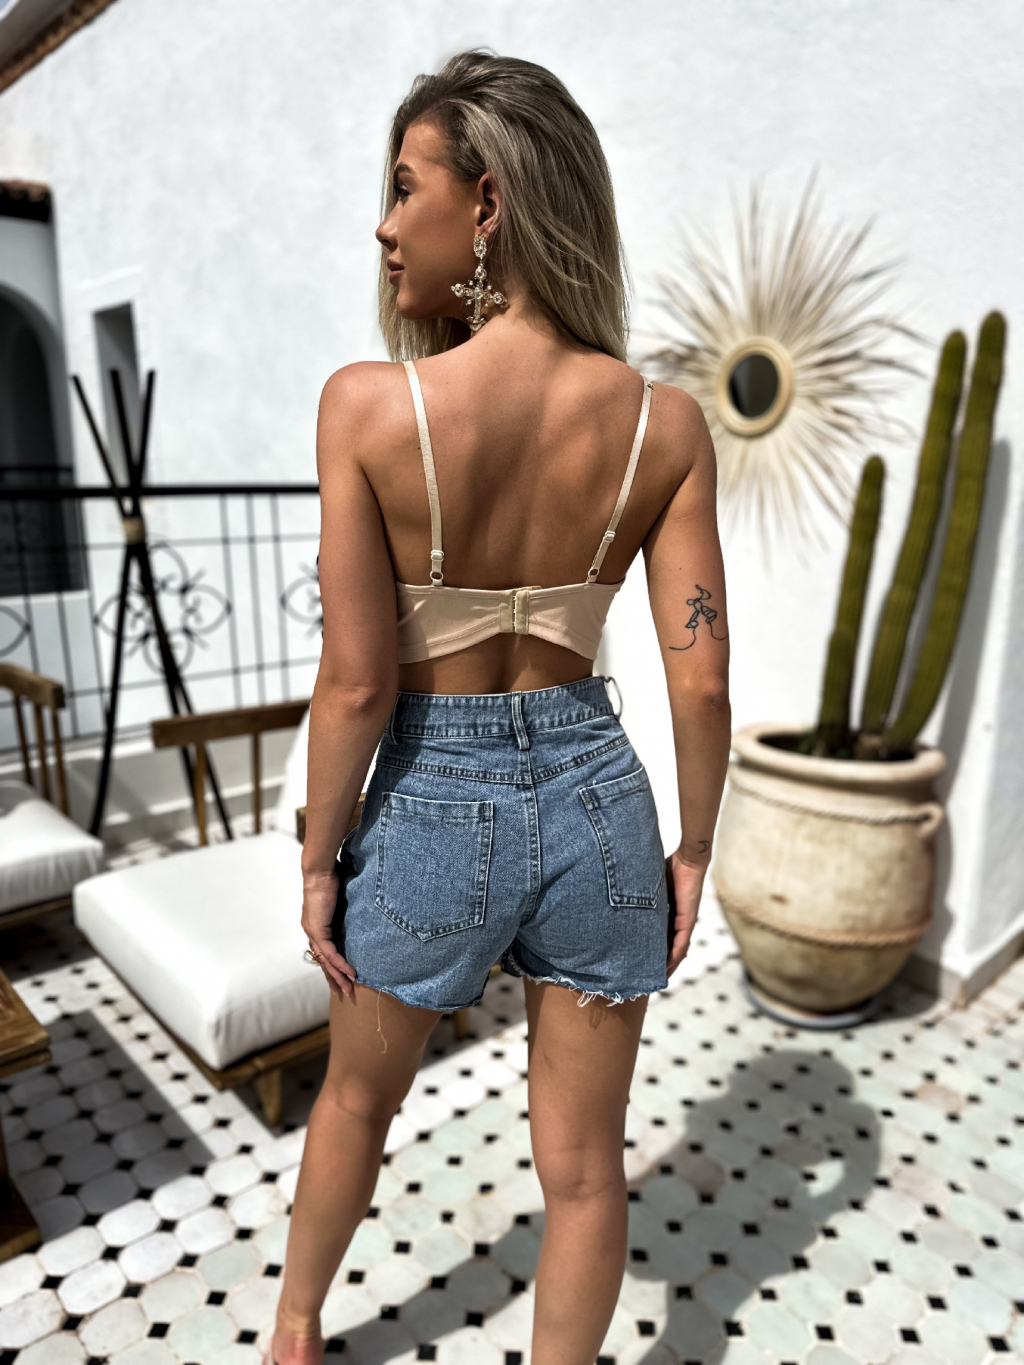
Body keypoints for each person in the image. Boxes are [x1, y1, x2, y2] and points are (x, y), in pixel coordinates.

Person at [270, 50, 731, 1365]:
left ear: (486, 204)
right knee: (584, 1169)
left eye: (402, 186)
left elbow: (359, 682)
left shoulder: (369, 409)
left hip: (429, 796)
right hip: (601, 800)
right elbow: (701, 676)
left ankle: (294, 1334)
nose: (382, 224)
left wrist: (318, 859)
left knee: (356, 1103)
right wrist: (694, 846)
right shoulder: (664, 425)